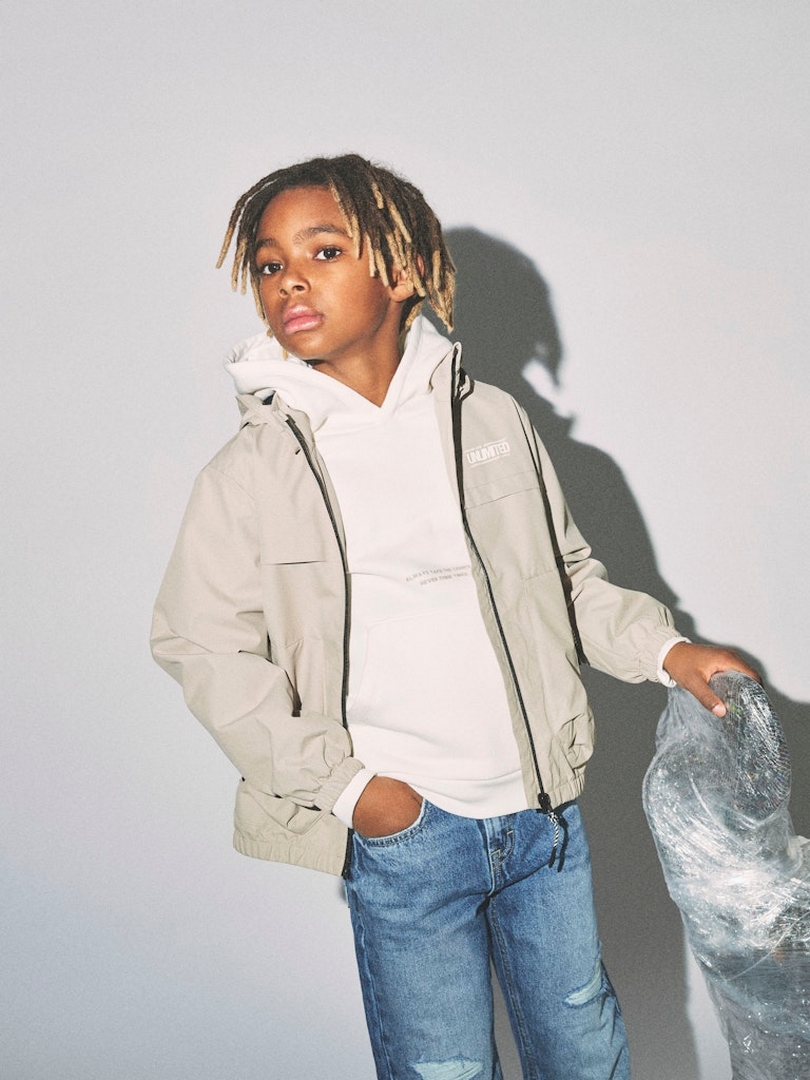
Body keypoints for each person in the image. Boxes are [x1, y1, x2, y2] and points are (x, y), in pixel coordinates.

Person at [151, 153, 758, 1080]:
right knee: (444, 1069)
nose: (290, 280)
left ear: (400, 271)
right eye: (270, 264)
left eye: (324, 250)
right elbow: (202, 647)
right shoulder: (250, 473)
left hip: (541, 819)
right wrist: (356, 793)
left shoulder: (494, 423)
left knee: (584, 1051)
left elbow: (566, 582)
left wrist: (669, 649)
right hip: (406, 835)